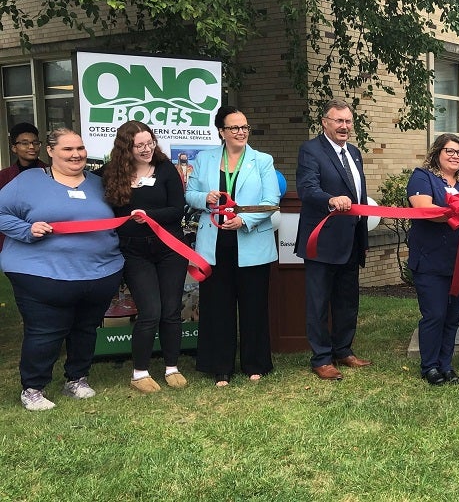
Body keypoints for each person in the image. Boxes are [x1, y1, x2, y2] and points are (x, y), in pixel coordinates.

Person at [0, 128, 124, 410]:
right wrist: (25, 229)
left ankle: (77, 379)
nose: (76, 154)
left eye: (80, 148)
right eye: (68, 149)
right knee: (45, 331)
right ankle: (33, 387)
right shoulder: (28, 181)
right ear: (51, 152)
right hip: (41, 275)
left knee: (85, 329)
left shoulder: (98, 183)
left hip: (99, 273)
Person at [186, 106, 279, 387]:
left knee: (253, 305)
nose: (241, 132)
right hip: (214, 242)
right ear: (221, 132)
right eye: (235, 128)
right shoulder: (204, 159)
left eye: (245, 127)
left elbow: (271, 199)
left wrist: (244, 219)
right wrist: (206, 197)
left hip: (250, 239)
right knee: (217, 306)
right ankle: (220, 366)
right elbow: (189, 194)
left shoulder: (262, 160)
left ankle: (255, 363)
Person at [100, 121, 189, 393]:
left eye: (149, 142)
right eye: (139, 145)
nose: (147, 149)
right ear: (126, 148)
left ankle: (172, 367)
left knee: (171, 311)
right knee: (150, 311)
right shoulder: (109, 174)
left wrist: (149, 217)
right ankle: (140, 372)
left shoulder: (165, 170)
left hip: (169, 248)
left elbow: (177, 209)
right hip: (134, 251)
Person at [296, 99, 370, 381]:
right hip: (322, 241)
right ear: (325, 123)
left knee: (347, 300)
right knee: (318, 303)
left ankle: (343, 349)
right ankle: (322, 358)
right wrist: (330, 199)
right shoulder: (310, 150)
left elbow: (359, 196)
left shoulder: (354, 152)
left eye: (348, 121)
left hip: (351, 238)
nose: (344, 126)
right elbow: (307, 188)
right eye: (338, 121)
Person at [407, 134, 459, 386]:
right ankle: (430, 366)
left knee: (452, 317)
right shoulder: (422, 177)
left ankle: (446, 364)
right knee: (434, 314)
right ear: (437, 152)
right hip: (430, 261)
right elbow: (424, 209)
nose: (455, 156)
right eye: (450, 150)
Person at [0, 122, 47, 249]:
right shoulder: (3, 176)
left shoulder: (51, 173)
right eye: (25, 143)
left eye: (35, 143)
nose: (31, 147)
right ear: (14, 148)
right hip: (10, 238)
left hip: (45, 235)